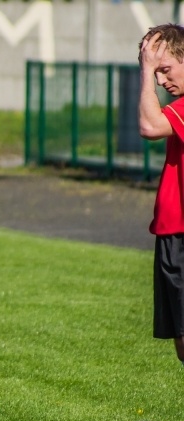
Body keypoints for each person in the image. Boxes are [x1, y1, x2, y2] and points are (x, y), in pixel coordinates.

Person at [138, 25, 184, 367]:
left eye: (164, 69)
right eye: (155, 72)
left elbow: (150, 126)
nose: (160, 81)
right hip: (172, 233)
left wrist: (143, 73)